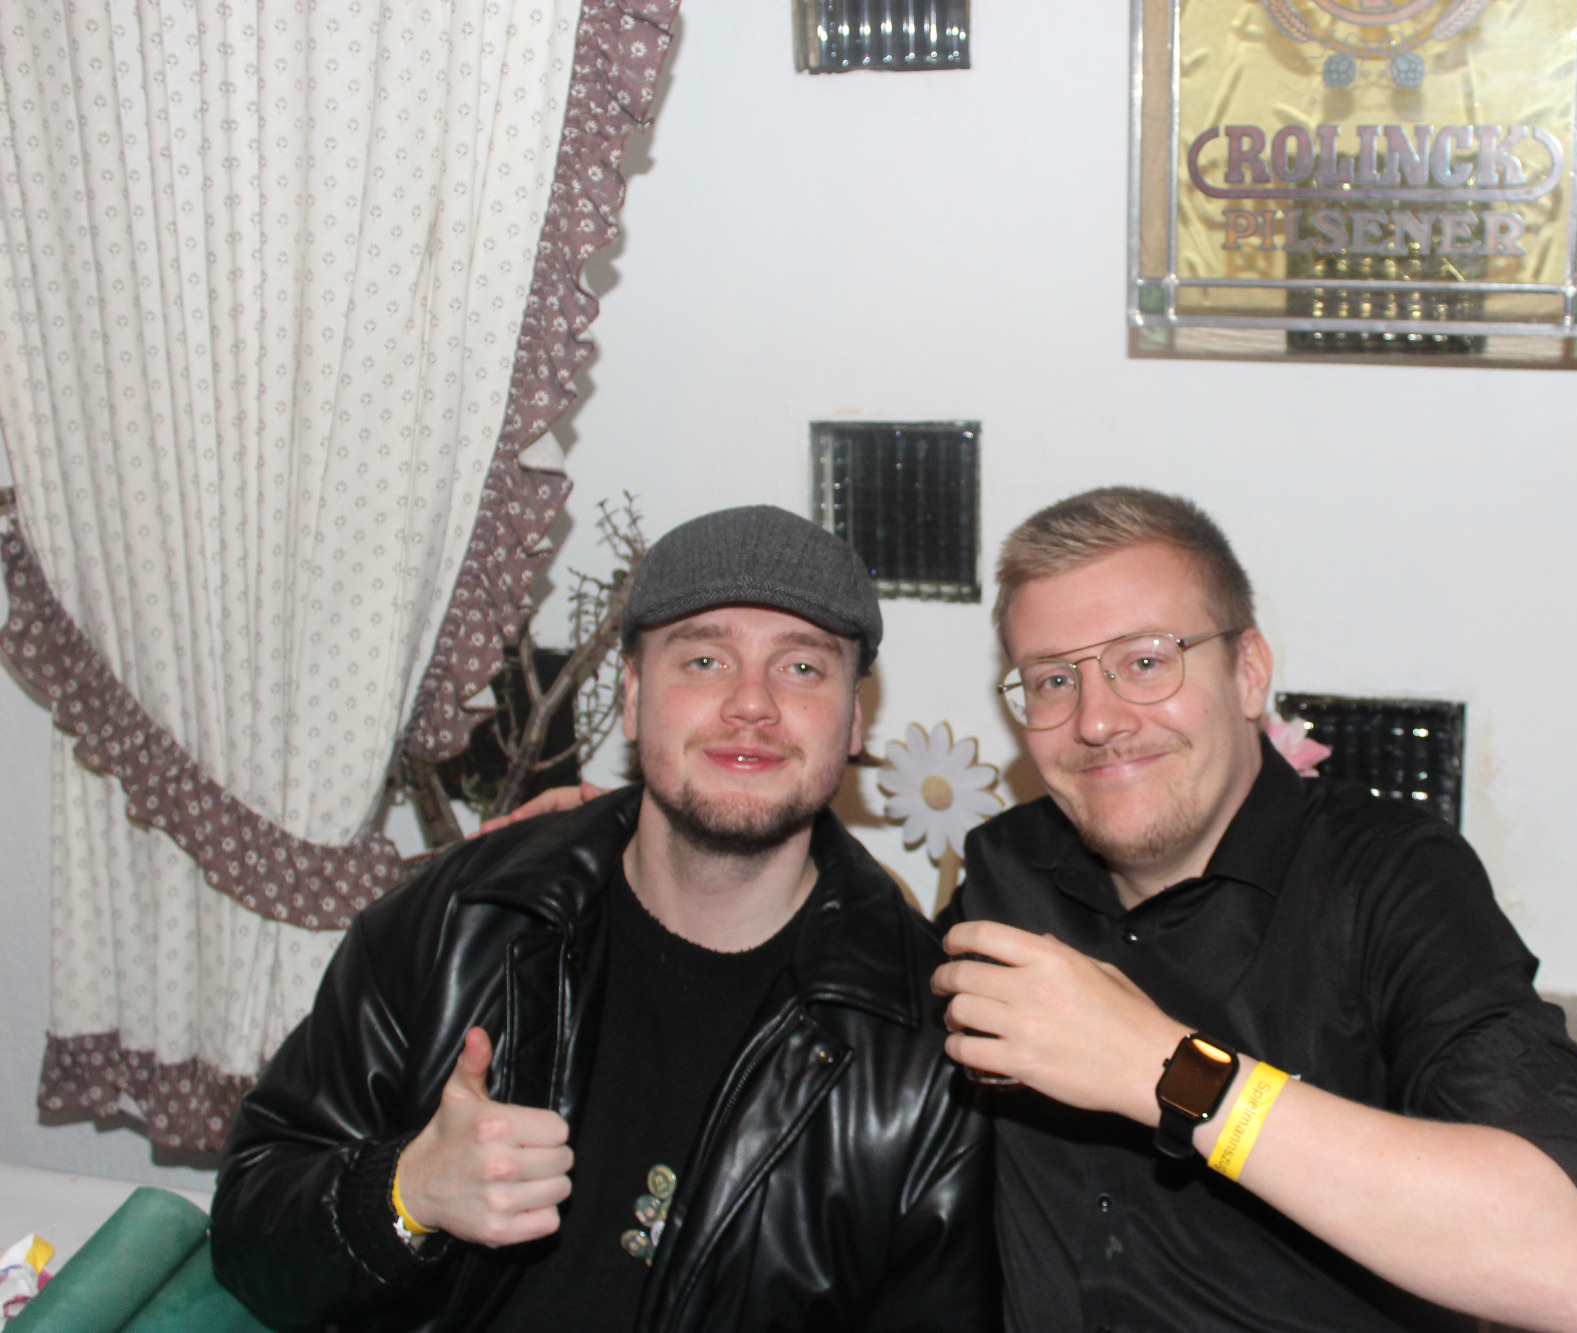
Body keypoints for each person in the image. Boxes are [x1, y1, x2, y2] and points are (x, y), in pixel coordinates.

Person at [211, 505, 997, 1333]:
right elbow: (249, 1231)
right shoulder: (464, 918)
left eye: (802, 667)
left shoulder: (929, 1048)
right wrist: (408, 1194)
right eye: (704, 659)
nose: (751, 704)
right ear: (632, 696)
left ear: (854, 719)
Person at [931, 487, 1577, 1333]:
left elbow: (1575, 1271)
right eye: (1054, 679)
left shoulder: (1390, 879)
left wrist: (1164, 1069)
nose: (1097, 719)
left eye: (1146, 661)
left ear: (1249, 671)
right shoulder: (1006, 872)